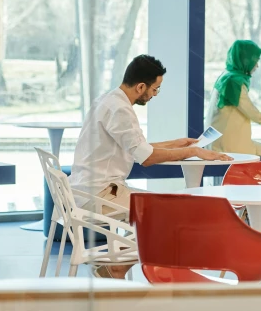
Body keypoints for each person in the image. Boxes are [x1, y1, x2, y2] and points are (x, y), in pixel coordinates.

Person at [69, 54, 231, 278]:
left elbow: (135, 147)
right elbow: (146, 157)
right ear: (141, 86)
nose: (155, 94)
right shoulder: (121, 111)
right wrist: (193, 151)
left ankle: (117, 267)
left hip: (88, 188)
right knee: (168, 214)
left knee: (164, 209)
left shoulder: (108, 100)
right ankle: (115, 269)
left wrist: (176, 143)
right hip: (100, 193)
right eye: (155, 89)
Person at [206, 40, 261, 158]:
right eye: (255, 61)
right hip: (230, 147)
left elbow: (246, 111)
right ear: (246, 60)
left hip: (215, 143)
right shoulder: (234, 82)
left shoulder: (226, 76)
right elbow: (255, 116)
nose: (257, 66)